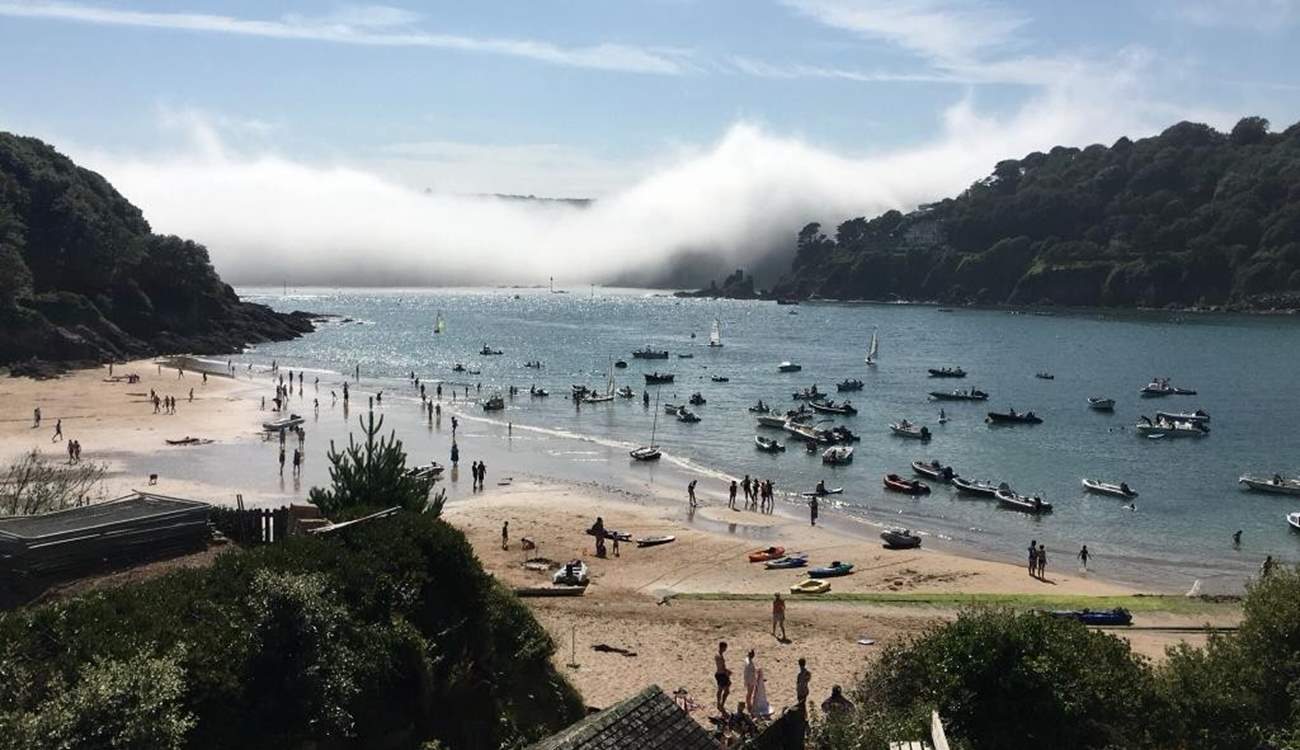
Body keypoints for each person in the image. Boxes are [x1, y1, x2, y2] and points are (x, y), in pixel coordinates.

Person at [714, 642, 731, 713]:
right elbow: (722, 668)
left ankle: (719, 703)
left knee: (720, 690)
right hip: (722, 675)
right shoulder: (720, 657)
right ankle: (721, 704)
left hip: (719, 674)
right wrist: (728, 672)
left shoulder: (717, 655)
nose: (725, 649)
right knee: (726, 691)